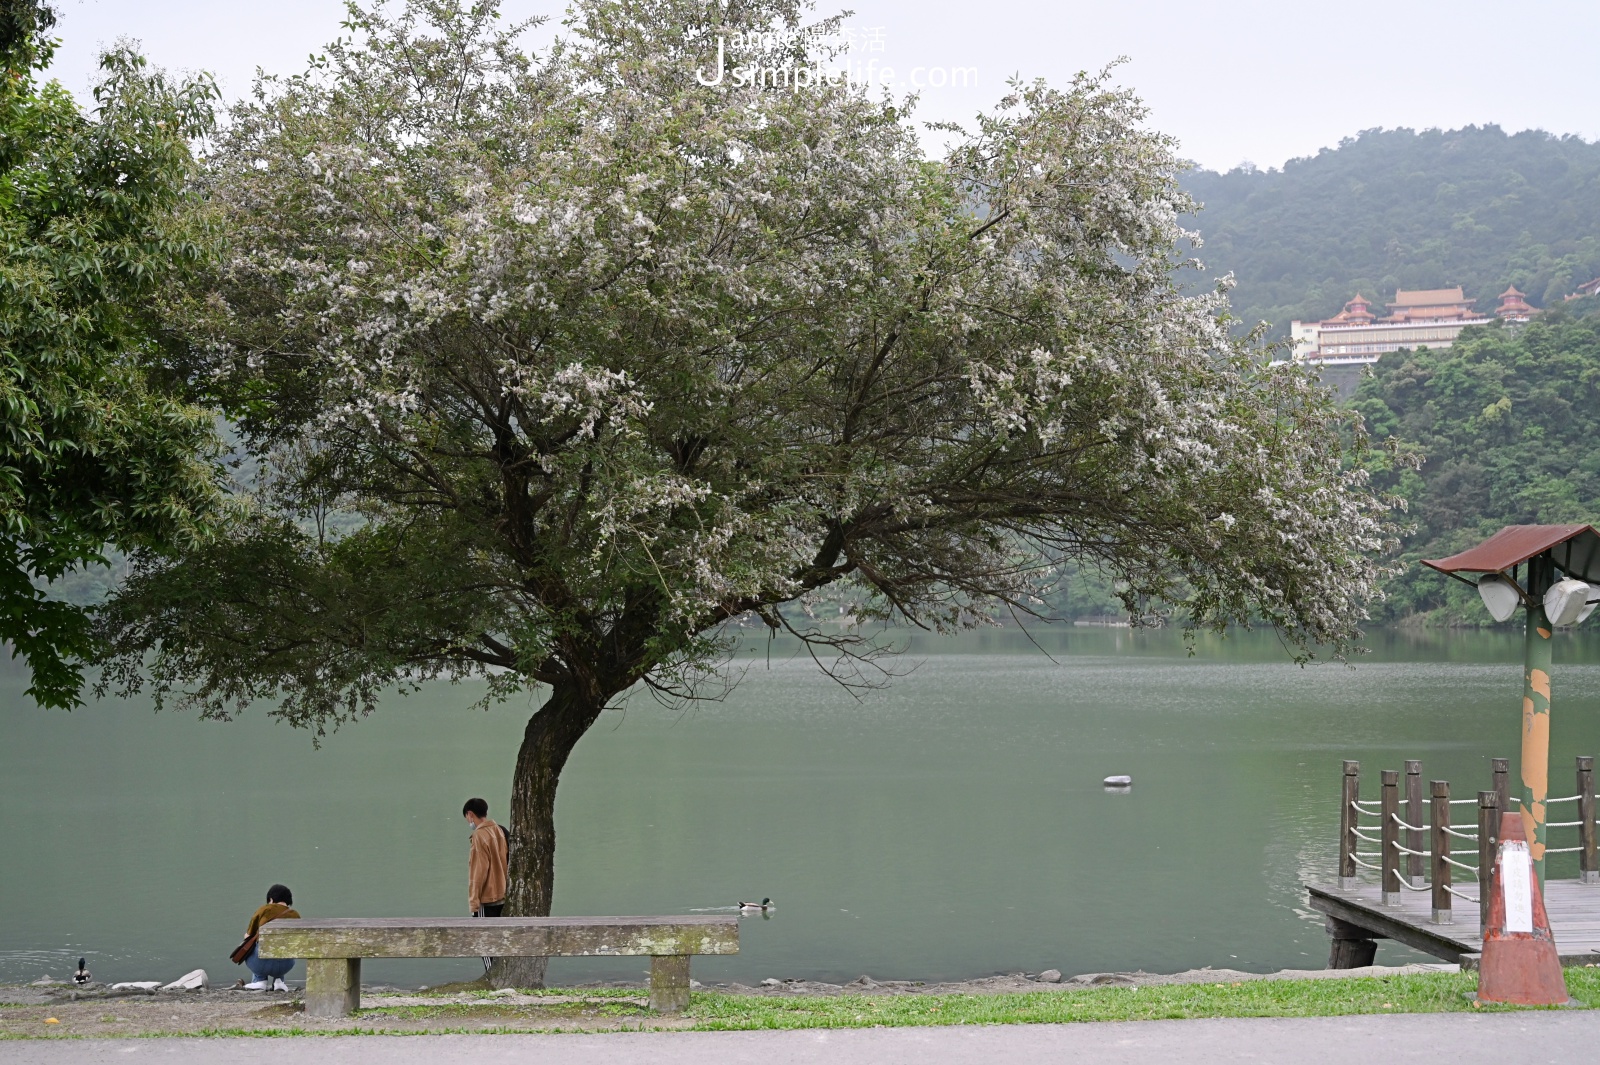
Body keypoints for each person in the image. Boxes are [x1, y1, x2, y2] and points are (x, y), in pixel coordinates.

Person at [240, 884, 300, 991]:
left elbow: (248, 936)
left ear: (271, 899)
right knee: (283, 947)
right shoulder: (295, 915)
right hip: (286, 964)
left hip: (261, 962)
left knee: (249, 944)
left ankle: (260, 980)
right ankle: (279, 981)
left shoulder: (265, 910)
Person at [463, 798, 508, 918]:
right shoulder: (500, 830)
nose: (468, 821)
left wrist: (474, 904)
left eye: (466, 817)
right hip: (504, 895)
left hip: (488, 899)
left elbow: (478, 871)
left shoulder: (479, 836)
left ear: (470, 814)